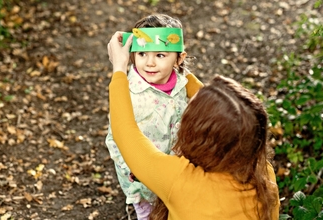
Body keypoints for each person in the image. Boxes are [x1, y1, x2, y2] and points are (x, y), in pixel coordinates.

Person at [107, 31, 280, 219]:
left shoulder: (179, 180)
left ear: (203, 138)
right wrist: (174, 64)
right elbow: (224, 112)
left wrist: (119, 68)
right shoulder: (263, 172)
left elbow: (125, 133)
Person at [105, 14, 203, 219]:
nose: (149, 63)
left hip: (177, 173)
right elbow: (115, 138)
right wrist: (132, 170)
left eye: (160, 55)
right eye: (142, 54)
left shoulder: (182, 84)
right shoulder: (128, 93)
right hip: (143, 182)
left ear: (179, 58)